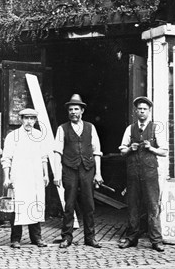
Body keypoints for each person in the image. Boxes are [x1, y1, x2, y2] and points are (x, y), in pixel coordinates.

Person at [53, 93, 103, 249]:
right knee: (69, 204)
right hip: (69, 169)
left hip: (87, 169)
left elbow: (97, 151)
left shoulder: (90, 127)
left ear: (82, 111)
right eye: (70, 109)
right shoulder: (62, 129)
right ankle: (66, 237)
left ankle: (90, 237)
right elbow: (57, 152)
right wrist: (57, 174)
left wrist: (98, 173)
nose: (73, 112)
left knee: (89, 204)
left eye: (76, 109)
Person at [118, 96, 167, 252]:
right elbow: (122, 151)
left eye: (145, 109)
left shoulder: (155, 128)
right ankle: (131, 238)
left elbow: (164, 152)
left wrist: (151, 148)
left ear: (149, 111)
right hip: (133, 173)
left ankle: (156, 240)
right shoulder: (129, 129)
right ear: (136, 111)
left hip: (150, 173)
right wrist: (129, 149)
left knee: (153, 206)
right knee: (133, 206)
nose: (142, 112)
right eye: (139, 109)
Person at [1, 108, 49, 248]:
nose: (29, 121)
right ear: (21, 119)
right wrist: (6, 177)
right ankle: (15, 239)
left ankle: (36, 238)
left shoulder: (39, 135)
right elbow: (6, 158)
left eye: (32, 118)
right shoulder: (13, 136)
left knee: (35, 204)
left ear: (35, 120)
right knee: (19, 206)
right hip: (20, 177)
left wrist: (45, 174)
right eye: (26, 118)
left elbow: (43, 157)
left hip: (35, 177)